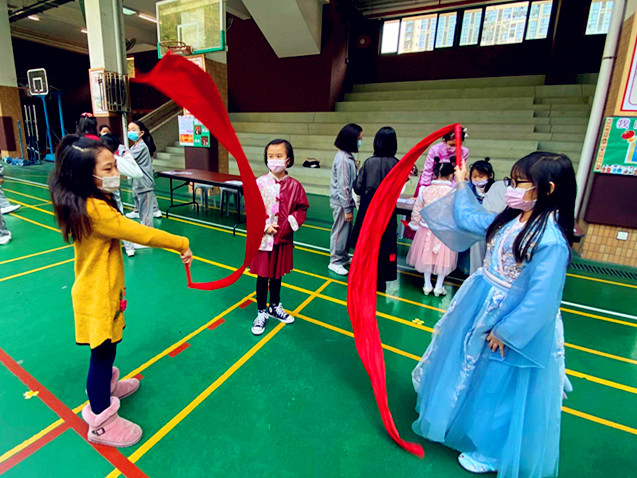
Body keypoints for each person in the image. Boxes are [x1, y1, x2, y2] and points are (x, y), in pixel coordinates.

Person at [412, 151, 576, 477]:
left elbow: (542, 300)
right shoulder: (513, 218)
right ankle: (461, 420)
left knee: (501, 384)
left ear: (548, 189)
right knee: (474, 369)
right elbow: (470, 218)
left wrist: (507, 332)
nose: (511, 190)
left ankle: (493, 450)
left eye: (519, 183)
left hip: (510, 319)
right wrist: (462, 184)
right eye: (510, 182)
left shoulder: (550, 240)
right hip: (482, 303)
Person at [48, 135, 192, 447]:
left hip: (102, 293)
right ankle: (100, 420)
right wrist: (181, 243)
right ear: (86, 176)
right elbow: (140, 233)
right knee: (101, 356)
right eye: (108, 168)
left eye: (114, 165)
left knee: (108, 350)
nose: (115, 173)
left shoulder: (89, 201)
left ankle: (108, 388)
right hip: (97, 297)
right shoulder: (96, 211)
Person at [250, 139, 309, 335]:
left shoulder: (295, 186)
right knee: (262, 276)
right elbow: (251, 209)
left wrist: (288, 224)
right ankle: (261, 311)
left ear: (288, 160)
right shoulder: (259, 183)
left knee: (277, 275)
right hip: (263, 240)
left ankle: (274, 306)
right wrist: (264, 226)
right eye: (270, 156)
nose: (274, 160)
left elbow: (302, 208)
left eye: (279, 156)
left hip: (282, 240)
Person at [350, 126, 399, 292]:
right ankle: (381, 281)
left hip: (368, 212)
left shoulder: (369, 163)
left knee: (367, 245)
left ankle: (365, 278)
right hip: (387, 214)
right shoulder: (397, 164)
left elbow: (357, 188)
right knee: (385, 246)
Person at [406, 159, 457, 297]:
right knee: (444, 258)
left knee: (426, 255)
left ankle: (427, 284)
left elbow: (417, 210)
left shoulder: (424, 190)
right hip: (445, 230)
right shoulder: (454, 192)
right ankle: (439, 286)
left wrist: (415, 224)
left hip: (426, 228)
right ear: (451, 175)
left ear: (434, 174)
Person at [99, 133, 144, 257]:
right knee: (118, 220)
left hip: (105, 201)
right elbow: (137, 173)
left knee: (115, 221)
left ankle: (127, 247)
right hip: (107, 201)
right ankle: (128, 247)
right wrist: (128, 156)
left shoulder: (95, 158)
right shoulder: (115, 159)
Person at [329, 123, 362, 276]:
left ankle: (343, 256)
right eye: (359, 138)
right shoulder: (343, 159)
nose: (360, 141)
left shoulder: (347, 156)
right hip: (342, 202)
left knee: (346, 231)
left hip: (346, 202)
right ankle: (335, 261)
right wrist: (347, 208)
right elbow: (343, 186)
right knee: (340, 230)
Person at [124, 121, 159, 240]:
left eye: (134, 130)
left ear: (141, 132)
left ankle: (148, 238)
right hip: (138, 184)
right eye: (129, 130)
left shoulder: (141, 147)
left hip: (145, 184)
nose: (130, 132)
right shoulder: (134, 147)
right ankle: (144, 236)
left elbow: (128, 159)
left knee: (146, 214)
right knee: (142, 212)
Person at [414, 128, 469, 197]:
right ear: (444, 141)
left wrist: (452, 189)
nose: (455, 148)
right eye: (452, 145)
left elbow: (459, 172)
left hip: (451, 182)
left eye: (458, 145)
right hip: (434, 181)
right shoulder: (435, 149)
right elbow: (428, 169)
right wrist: (424, 187)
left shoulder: (464, 152)